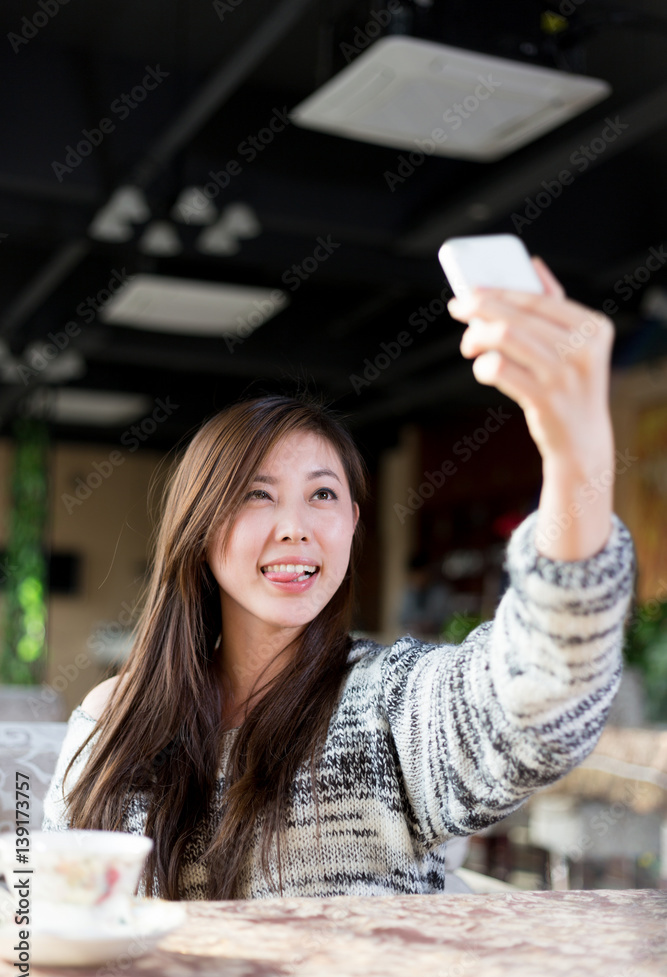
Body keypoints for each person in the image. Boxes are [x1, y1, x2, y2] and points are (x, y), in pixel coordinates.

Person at [43, 258, 635, 900]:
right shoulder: (115, 719)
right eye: (256, 495)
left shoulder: (386, 706)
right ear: (200, 527)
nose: (296, 527)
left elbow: (540, 699)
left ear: (353, 524)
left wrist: (577, 452)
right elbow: (49, 912)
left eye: (322, 496)